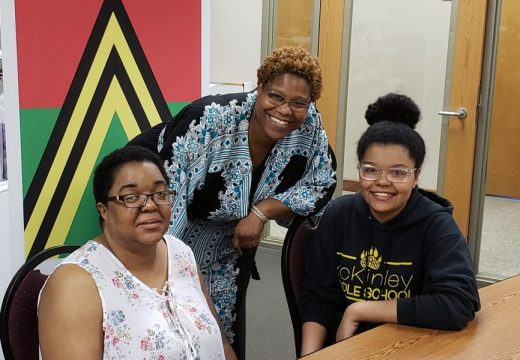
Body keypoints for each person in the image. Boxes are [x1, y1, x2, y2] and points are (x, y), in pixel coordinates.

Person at [128, 46, 337, 352]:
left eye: (298, 103)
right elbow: (166, 198)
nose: (284, 110)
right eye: (276, 96)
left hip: (228, 236)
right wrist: (172, 267)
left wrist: (262, 212)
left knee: (220, 325)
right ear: (260, 88)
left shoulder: (309, 125)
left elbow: (322, 182)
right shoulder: (209, 119)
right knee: (165, 321)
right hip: (166, 215)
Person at [299, 93, 481, 356]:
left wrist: (360, 309)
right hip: (348, 348)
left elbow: (458, 303)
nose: (382, 182)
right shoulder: (340, 213)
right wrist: (309, 356)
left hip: (411, 345)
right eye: (371, 169)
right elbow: (317, 296)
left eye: (398, 172)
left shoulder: (436, 225)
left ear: (416, 175)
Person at [38, 146, 237, 359]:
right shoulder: (75, 284)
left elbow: (220, 343)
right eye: (131, 197)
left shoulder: (180, 252)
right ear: (103, 210)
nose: (150, 205)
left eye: (160, 193)